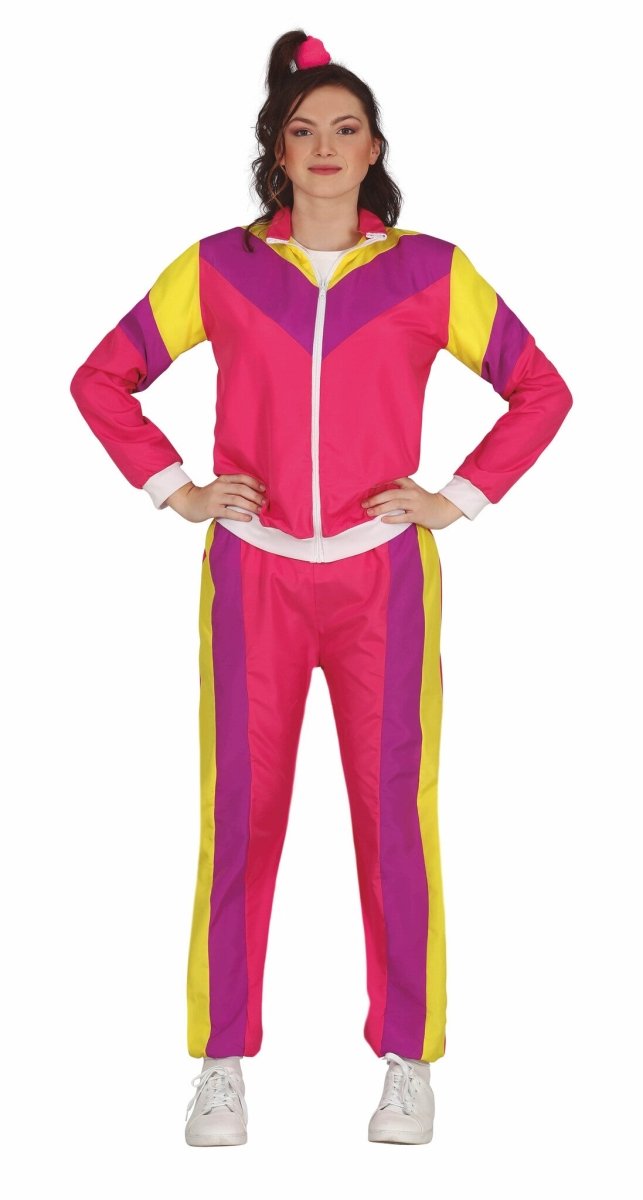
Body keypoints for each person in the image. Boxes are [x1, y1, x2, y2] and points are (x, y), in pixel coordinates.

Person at [69, 30, 573, 1148]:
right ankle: (220, 1064)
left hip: (381, 580)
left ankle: (407, 1059)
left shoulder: (430, 270)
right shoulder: (218, 267)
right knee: (239, 817)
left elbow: (540, 388)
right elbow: (102, 377)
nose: (327, 147)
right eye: (305, 131)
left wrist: (455, 497)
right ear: (278, 151)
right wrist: (177, 489)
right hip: (251, 576)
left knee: (394, 816)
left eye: (347, 128)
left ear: (375, 147)